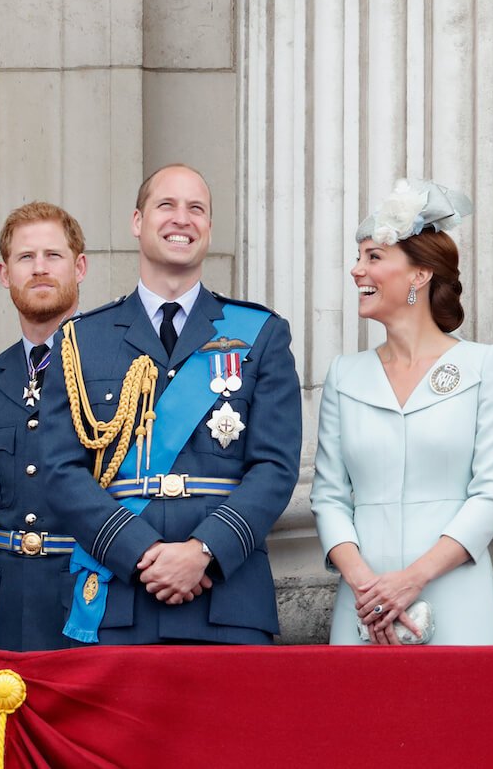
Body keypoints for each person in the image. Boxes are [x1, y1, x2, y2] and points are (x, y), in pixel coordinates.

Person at [37, 164, 301, 645]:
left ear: (209, 229)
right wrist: (142, 552)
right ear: (138, 222)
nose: (182, 219)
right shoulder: (81, 340)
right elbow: (60, 470)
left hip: (227, 597)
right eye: (167, 206)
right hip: (120, 596)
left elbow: (276, 467)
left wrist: (203, 550)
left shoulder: (260, 333)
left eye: (196, 209)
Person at [311, 179, 493, 645]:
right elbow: (328, 498)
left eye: (373, 257)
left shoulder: (482, 365)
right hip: (363, 607)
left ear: (420, 275)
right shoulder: (344, 376)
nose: (356, 270)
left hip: (457, 597)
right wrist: (369, 586)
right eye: (358, 256)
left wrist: (412, 579)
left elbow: (490, 494)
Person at [0, 201, 88, 650]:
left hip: (87, 601)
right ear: (4, 274)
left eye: (52, 256)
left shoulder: (118, 367)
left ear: (80, 267)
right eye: (25, 258)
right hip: (3, 609)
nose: (39, 269)